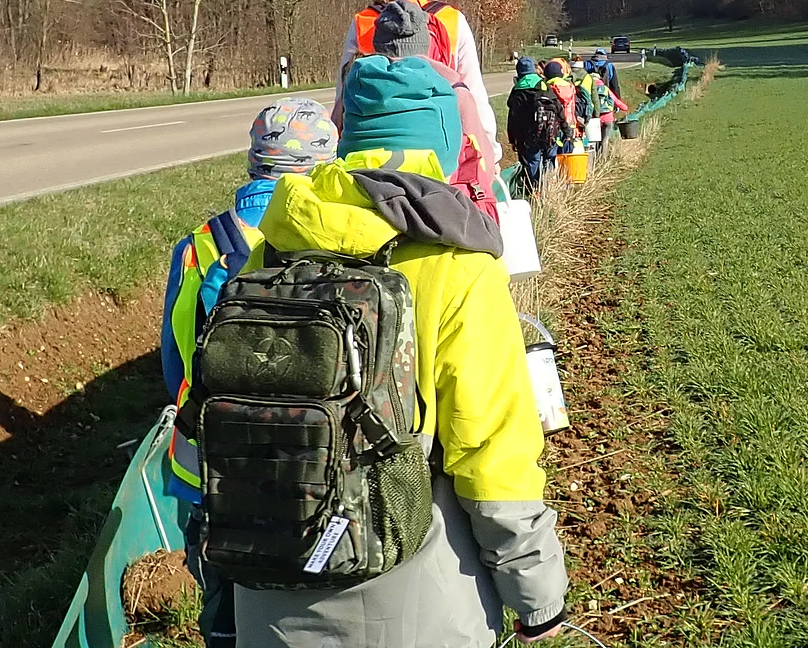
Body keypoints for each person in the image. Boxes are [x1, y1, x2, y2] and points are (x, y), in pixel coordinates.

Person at [231, 54, 571, 647]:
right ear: (442, 142)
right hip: (414, 604)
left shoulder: (276, 246)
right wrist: (536, 594)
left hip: (269, 595)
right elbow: (491, 451)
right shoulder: (456, 262)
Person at [158, 98, 340, 647]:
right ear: (326, 165)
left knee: (224, 607)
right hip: (313, 463)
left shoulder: (198, 247)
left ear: (252, 161)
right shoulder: (340, 239)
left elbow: (174, 366)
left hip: (211, 470)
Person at [339, 0, 501, 218]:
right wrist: (491, 156)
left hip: (368, 159)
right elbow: (474, 94)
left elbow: (342, 97)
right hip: (439, 157)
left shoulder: (364, 21)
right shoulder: (451, 19)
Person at [505, 59, 571, 190]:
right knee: (549, 159)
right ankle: (548, 189)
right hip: (550, 131)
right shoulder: (543, 85)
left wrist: (513, 139)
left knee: (532, 162)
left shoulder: (517, 91)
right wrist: (566, 130)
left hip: (528, 136)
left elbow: (512, 119)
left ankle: (535, 191)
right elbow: (558, 109)